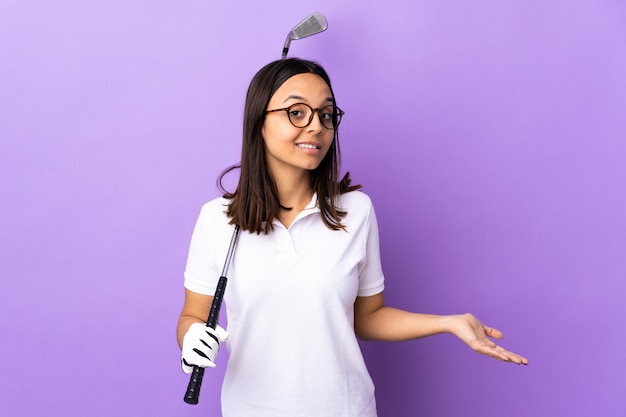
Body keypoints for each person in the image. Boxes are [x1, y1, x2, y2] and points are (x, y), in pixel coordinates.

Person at [177, 57, 528, 417]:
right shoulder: (216, 220)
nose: (316, 126)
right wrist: (190, 339)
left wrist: (448, 323)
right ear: (258, 122)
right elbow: (193, 315)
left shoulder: (355, 211)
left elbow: (367, 317)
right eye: (297, 112)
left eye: (326, 115)